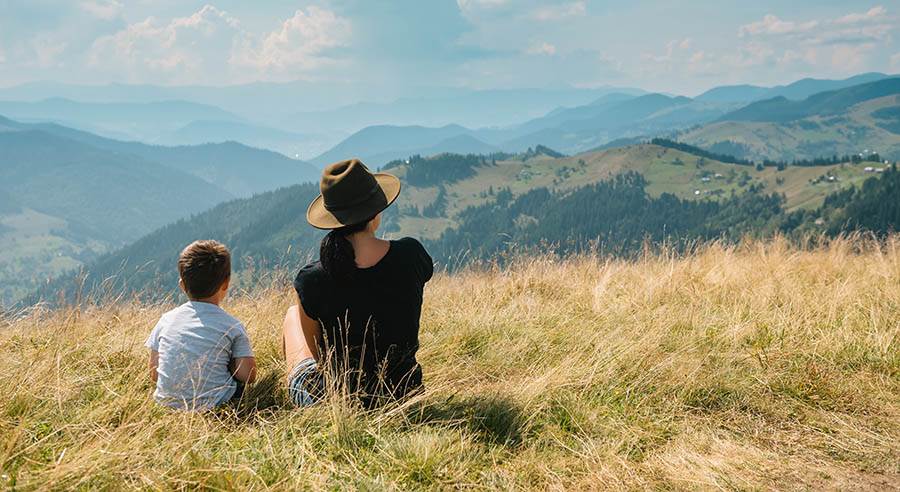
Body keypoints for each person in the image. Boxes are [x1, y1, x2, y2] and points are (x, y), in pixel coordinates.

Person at [284, 158, 433, 408]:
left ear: (332, 219)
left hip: (340, 403)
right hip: (405, 396)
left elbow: (319, 357)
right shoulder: (411, 255)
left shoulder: (311, 280)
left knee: (291, 316)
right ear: (375, 212)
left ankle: (300, 411)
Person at [146, 240, 257, 410]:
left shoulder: (166, 320)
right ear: (226, 283)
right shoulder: (233, 326)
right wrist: (231, 365)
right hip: (217, 404)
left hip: (167, 404)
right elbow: (248, 375)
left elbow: (154, 373)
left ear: (182, 285)